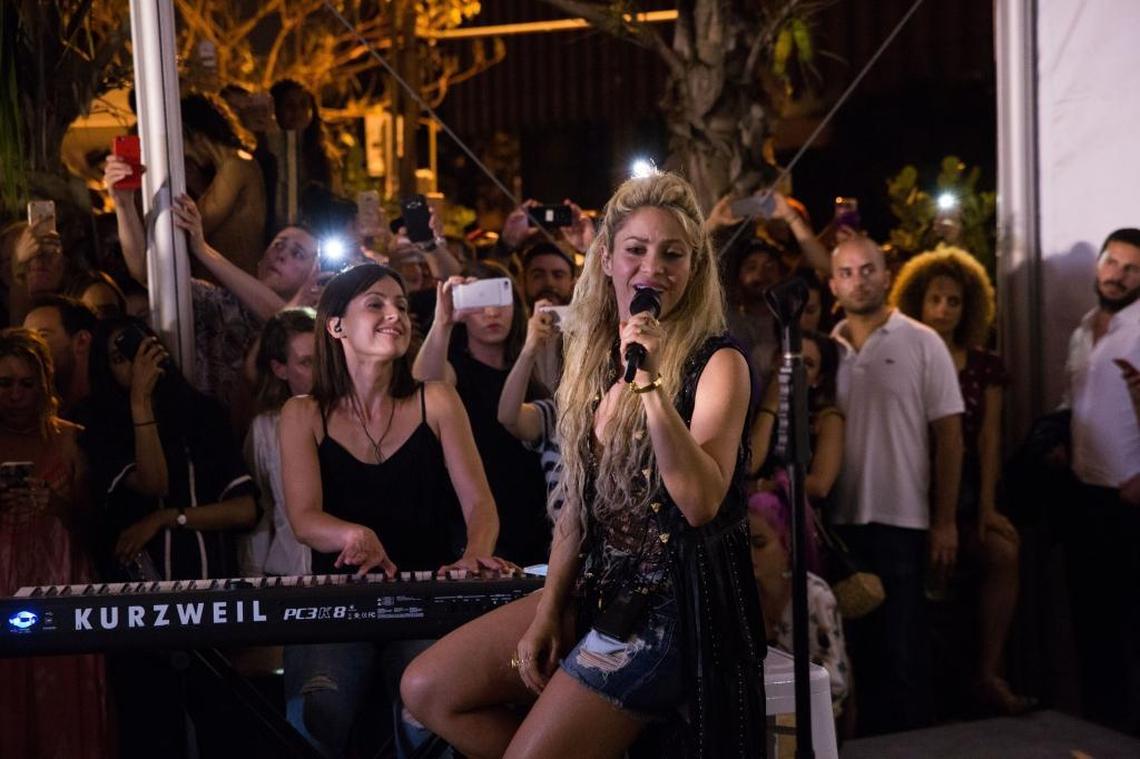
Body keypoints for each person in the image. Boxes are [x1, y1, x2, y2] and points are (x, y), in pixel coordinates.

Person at [401, 172, 766, 759]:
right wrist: (546, 613)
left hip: (671, 608)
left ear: (694, 267)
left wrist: (650, 386)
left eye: (673, 254)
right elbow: (576, 505)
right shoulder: (593, 358)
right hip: (597, 588)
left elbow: (700, 503)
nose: (653, 268)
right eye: (636, 250)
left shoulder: (718, 362)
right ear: (606, 259)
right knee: (426, 688)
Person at [278, 263, 507, 758]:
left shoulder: (436, 400)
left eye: (401, 306)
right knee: (318, 710)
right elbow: (304, 519)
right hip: (337, 606)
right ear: (336, 326)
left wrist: (475, 553)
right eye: (376, 304)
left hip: (425, 602)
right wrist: (352, 535)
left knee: (426, 716)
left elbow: (480, 503)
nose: (395, 315)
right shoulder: (302, 413)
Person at [77, 317, 258, 758]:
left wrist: (168, 519)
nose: (133, 365)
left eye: (138, 350)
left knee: (223, 731)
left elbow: (245, 509)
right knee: (152, 731)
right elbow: (153, 481)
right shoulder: (97, 423)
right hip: (136, 611)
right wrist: (140, 402)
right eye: (118, 359)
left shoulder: (202, 414)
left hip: (207, 599)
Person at [827, 235, 964, 736]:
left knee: (905, 650)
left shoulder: (923, 341)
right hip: (840, 523)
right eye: (847, 272)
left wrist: (944, 520)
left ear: (887, 276)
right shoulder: (827, 349)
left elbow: (950, 437)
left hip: (904, 520)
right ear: (833, 284)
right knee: (854, 653)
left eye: (868, 270)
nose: (859, 281)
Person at [890, 244, 1032, 716]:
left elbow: (990, 440)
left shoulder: (983, 363)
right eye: (935, 299)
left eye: (954, 301)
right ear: (917, 301)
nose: (944, 309)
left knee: (1003, 552)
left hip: (967, 488)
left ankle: (989, 673)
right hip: (909, 483)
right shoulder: (902, 353)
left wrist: (987, 506)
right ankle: (926, 693)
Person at [0, 328, 112, 759]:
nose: (15, 395)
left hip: (59, 582)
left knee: (62, 704)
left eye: (26, 384)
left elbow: (99, 526)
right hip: (4, 582)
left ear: (44, 384)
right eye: (5, 383)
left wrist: (56, 504)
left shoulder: (71, 438)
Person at [412, 261, 550, 566]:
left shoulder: (531, 373)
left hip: (532, 514)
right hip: (471, 518)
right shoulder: (455, 370)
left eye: (500, 299)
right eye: (479, 300)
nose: (491, 312)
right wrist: (443, 322)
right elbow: (423, 384)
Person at [1061, 228, 1140, 731]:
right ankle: (1099, 735)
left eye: (1132, 269)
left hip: (1129, 502)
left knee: (1129, 629)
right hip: (1084, 497)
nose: (1118, 275)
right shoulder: (1083, 328)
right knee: (1091, 625)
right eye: (1112, 262)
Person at [749, 493, 850, 713]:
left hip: (813, 713)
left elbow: (835, 680)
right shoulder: (744, 596)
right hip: (764, 710)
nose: (749, 553)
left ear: (787, 543)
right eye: (743, 544)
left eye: (759, 543)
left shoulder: (815, 596)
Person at [240, 308, 316, 577]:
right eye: (307, 362)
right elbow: (262, 509)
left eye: (324, 359)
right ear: (280, 369)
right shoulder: (266, 429)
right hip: (287, 572)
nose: (321, 371)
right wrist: (254, 577)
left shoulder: (352, 418)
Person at [180, 93, 268, 276]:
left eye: (181, 141)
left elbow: (199, 225)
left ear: (195, 135)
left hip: (234, 280)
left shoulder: (235, 166)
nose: (184, 152)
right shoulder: (230, 166)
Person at [22, 294, 97, 418]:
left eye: (42, 336)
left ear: (81, 341)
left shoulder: (112, 415)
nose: (29, 347)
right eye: (26, 338)